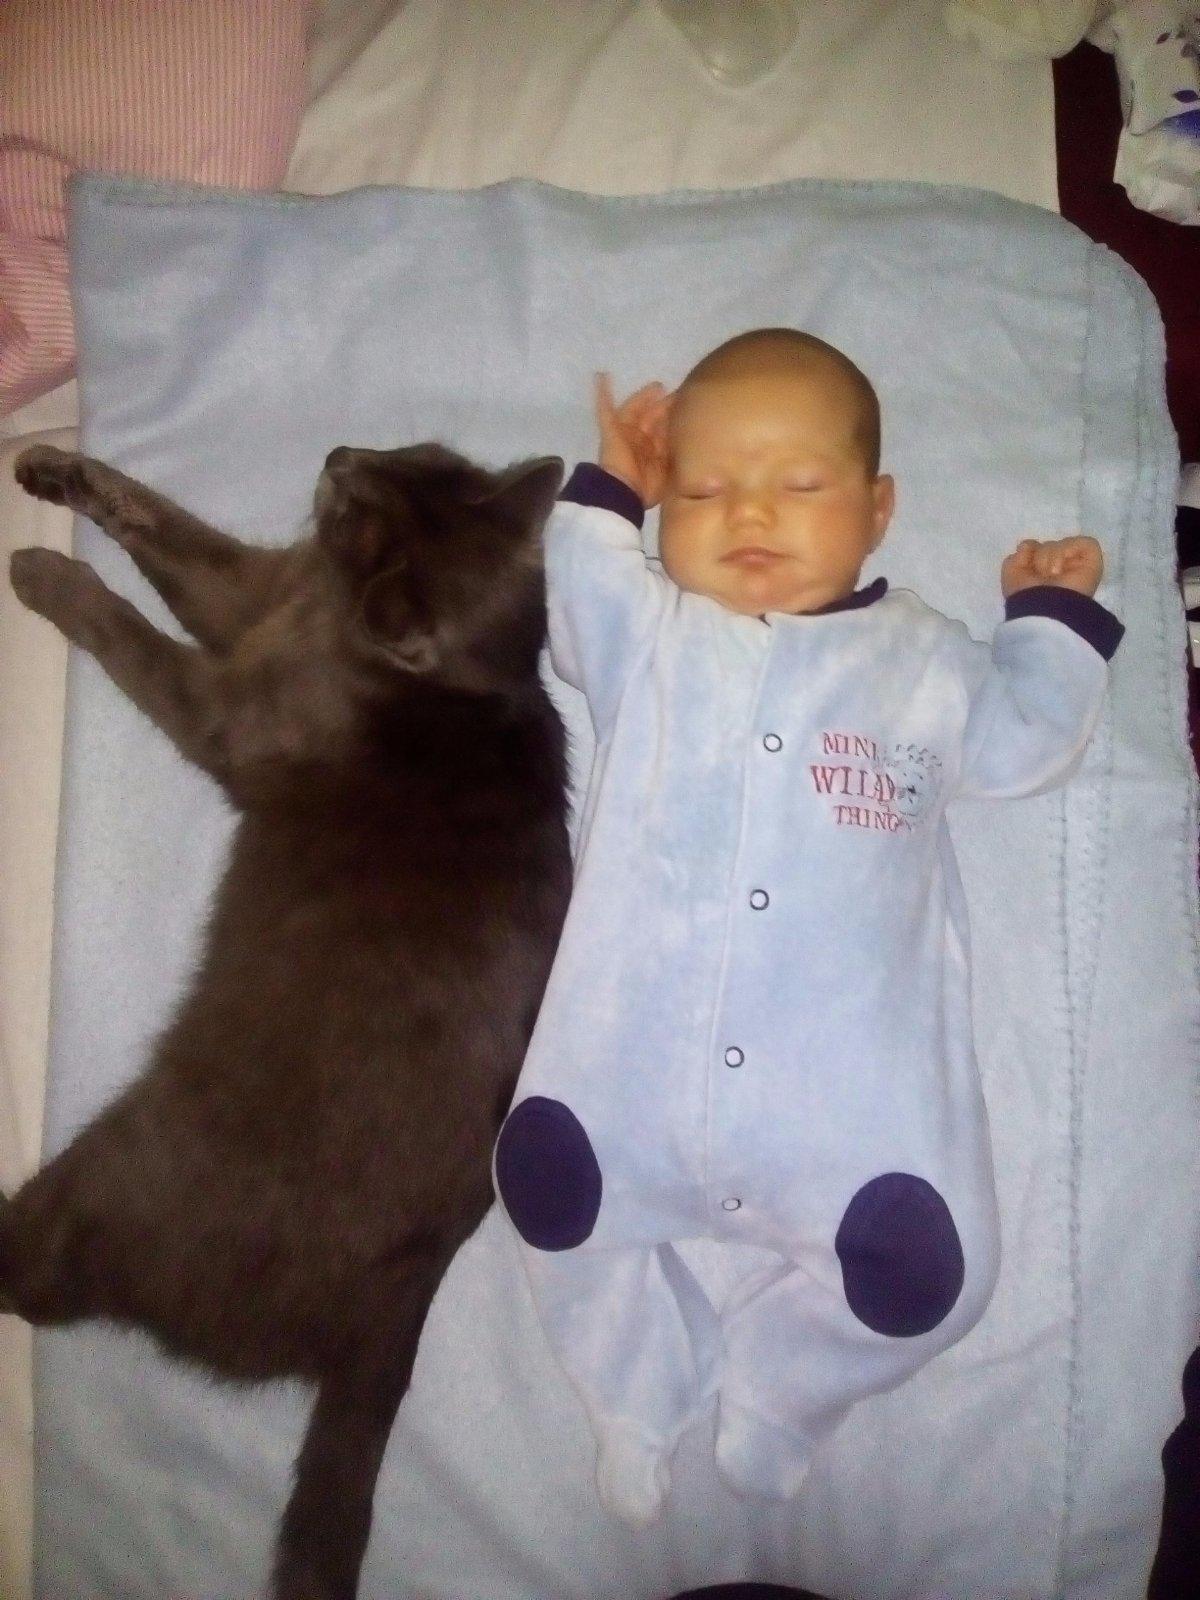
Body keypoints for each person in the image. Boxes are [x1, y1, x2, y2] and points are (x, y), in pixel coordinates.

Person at [493, 328, 1125, 1525]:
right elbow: (580, 598)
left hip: (849, 1111)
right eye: (703, 489)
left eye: (799, 483)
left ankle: (781, 1387)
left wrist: (1047, 616)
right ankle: (636, 1391)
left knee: (931, 1276)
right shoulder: (653, 637)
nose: (750, 513)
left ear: (878, 512)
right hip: (627, 1074)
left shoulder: (922, 663)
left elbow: (1022, 742)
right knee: (547, 1188)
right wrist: (613, 489)